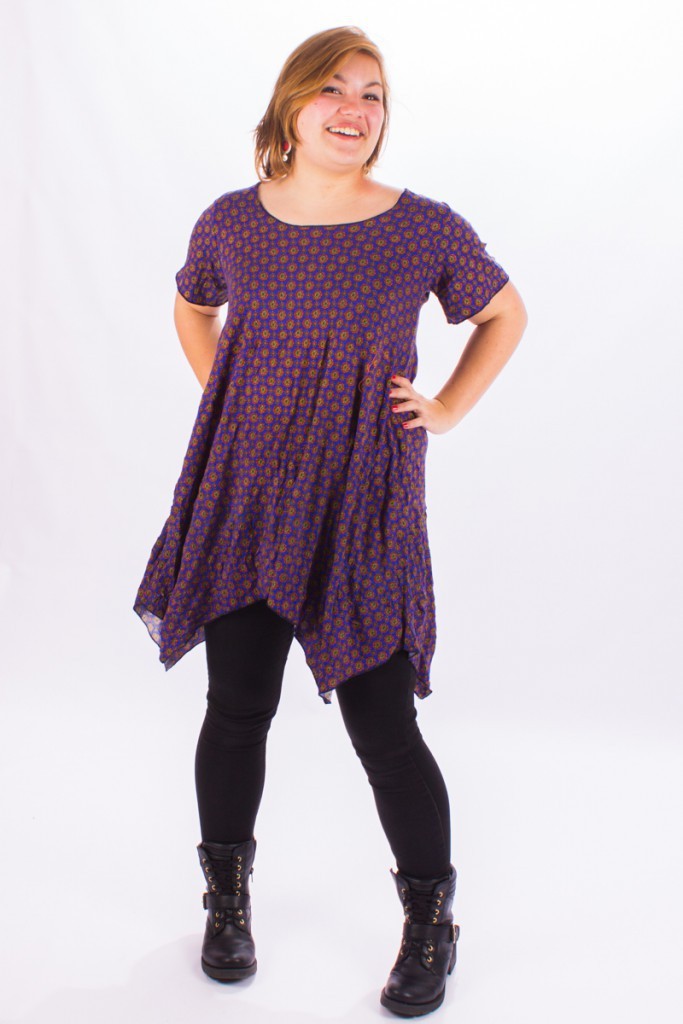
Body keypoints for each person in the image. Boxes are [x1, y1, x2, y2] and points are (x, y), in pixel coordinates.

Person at [133, 24, 527, 1018]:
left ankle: (430, 921)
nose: (353, 109)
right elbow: (190, 307)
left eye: (372, 94)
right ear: (291, 106)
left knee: (383, 725)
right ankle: (226, 902)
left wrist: (445, 407)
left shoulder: (421, 227)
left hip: (363, 501)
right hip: (249, 495)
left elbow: (503, 314)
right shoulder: (232, 222)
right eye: (332, 90)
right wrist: (228, 396)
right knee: (237, 707)